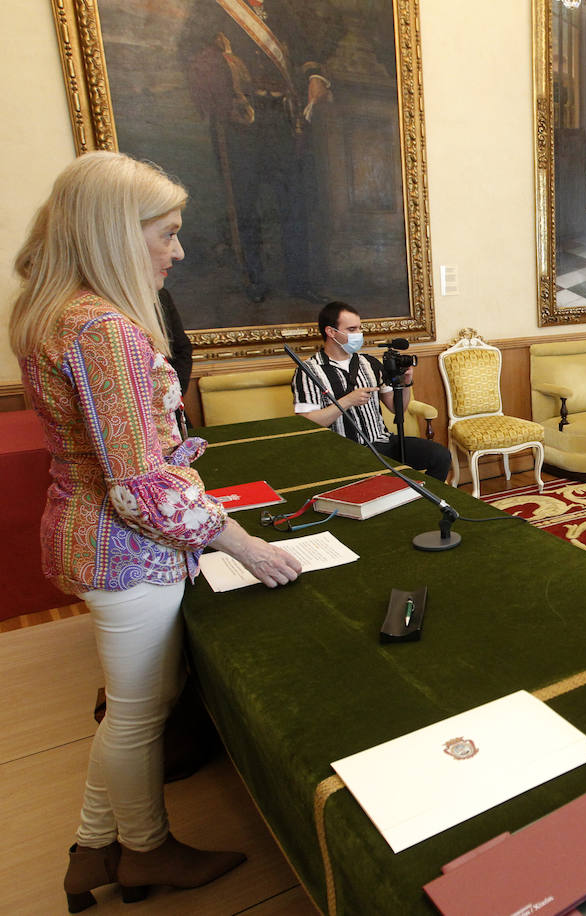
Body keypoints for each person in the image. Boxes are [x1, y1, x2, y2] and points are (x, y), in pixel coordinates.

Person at [9, 151, 302, 910]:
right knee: (139, 714)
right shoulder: (104, 329)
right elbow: (139, 484)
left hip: (87, 533)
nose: (177, 251)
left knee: (135, 705)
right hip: (126, 551)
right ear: (114, 231)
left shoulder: (49, 307)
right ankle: (145, 853)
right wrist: (240, 543)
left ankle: (92, 848)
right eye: (166, 233)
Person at [179, 0, 337, 304]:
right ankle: (254, 279)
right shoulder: (213, 7)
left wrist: (316, 77)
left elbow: (306, 52)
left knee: (294, 202)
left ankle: (299, 281)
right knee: (245, 203)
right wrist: (218, 73)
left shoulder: (282, 8)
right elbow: (189, 51)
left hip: (282, 118)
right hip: (239, 118)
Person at [291, 302, 452, 481]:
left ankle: (424, 503)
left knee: (439, 456)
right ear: (331, 332)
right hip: (342, 453)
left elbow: (396, 408)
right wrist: (347, 401)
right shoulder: (308, 371)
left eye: (360, 328)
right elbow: (307, 422)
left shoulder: (369, 364)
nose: (358, 334)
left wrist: (406, 383)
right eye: (352, 329)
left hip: (382, 443)